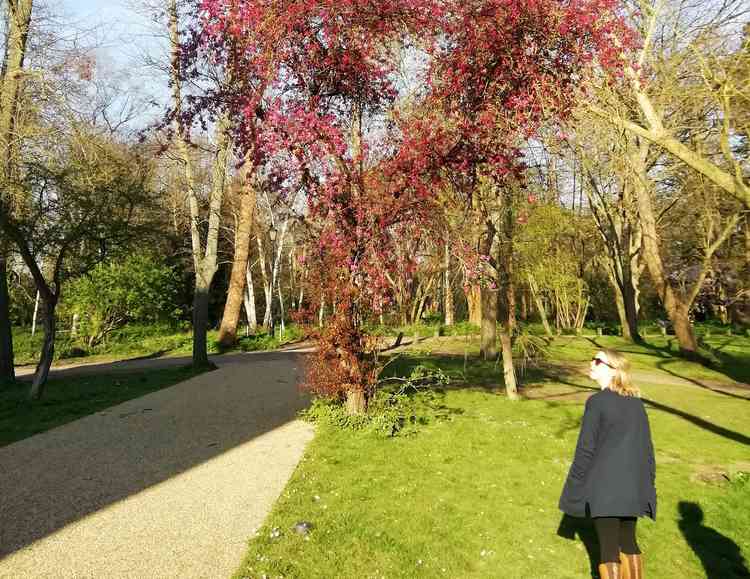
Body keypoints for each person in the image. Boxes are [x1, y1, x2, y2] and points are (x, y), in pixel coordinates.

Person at [558, 348, 656, 579]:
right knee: (629, 542)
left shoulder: (597, 402)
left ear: (613, 370)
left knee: (609, 548)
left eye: (597, 360)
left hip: (605, 485)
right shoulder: (636, 403)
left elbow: (585, 449)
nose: (591, 363)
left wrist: (573, 487)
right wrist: (648, 484)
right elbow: (647, 449)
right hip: (633, 485)